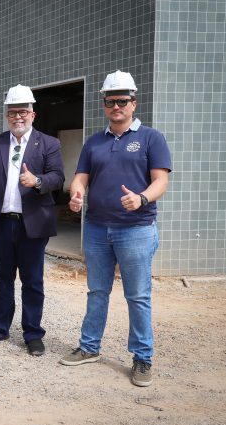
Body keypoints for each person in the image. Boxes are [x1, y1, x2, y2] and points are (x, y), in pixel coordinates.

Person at [59, 70, 171, 387]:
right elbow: (81, 177)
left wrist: (142, 198)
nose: (117, 106)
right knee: (97, 291)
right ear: (104, 104)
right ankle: (90, 347)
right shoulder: (94, 142)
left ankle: (142, 358)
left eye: (123, 100)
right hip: (96, 229)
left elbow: (161, 180)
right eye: (111, 101)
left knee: (137, 296)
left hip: (136, 229)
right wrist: (76, 192)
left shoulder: (151, 138)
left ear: (134, 103)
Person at [0, 84, 64, 356]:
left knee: (32, 280)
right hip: (2, 223)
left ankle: (32, 333)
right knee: (2, 278)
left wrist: (37, 180)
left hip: (32, 223)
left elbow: (58, 177)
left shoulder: (48, 143)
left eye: (23, 112)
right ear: (7, 116)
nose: (18, 117)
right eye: (13, 113)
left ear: (33, 114)